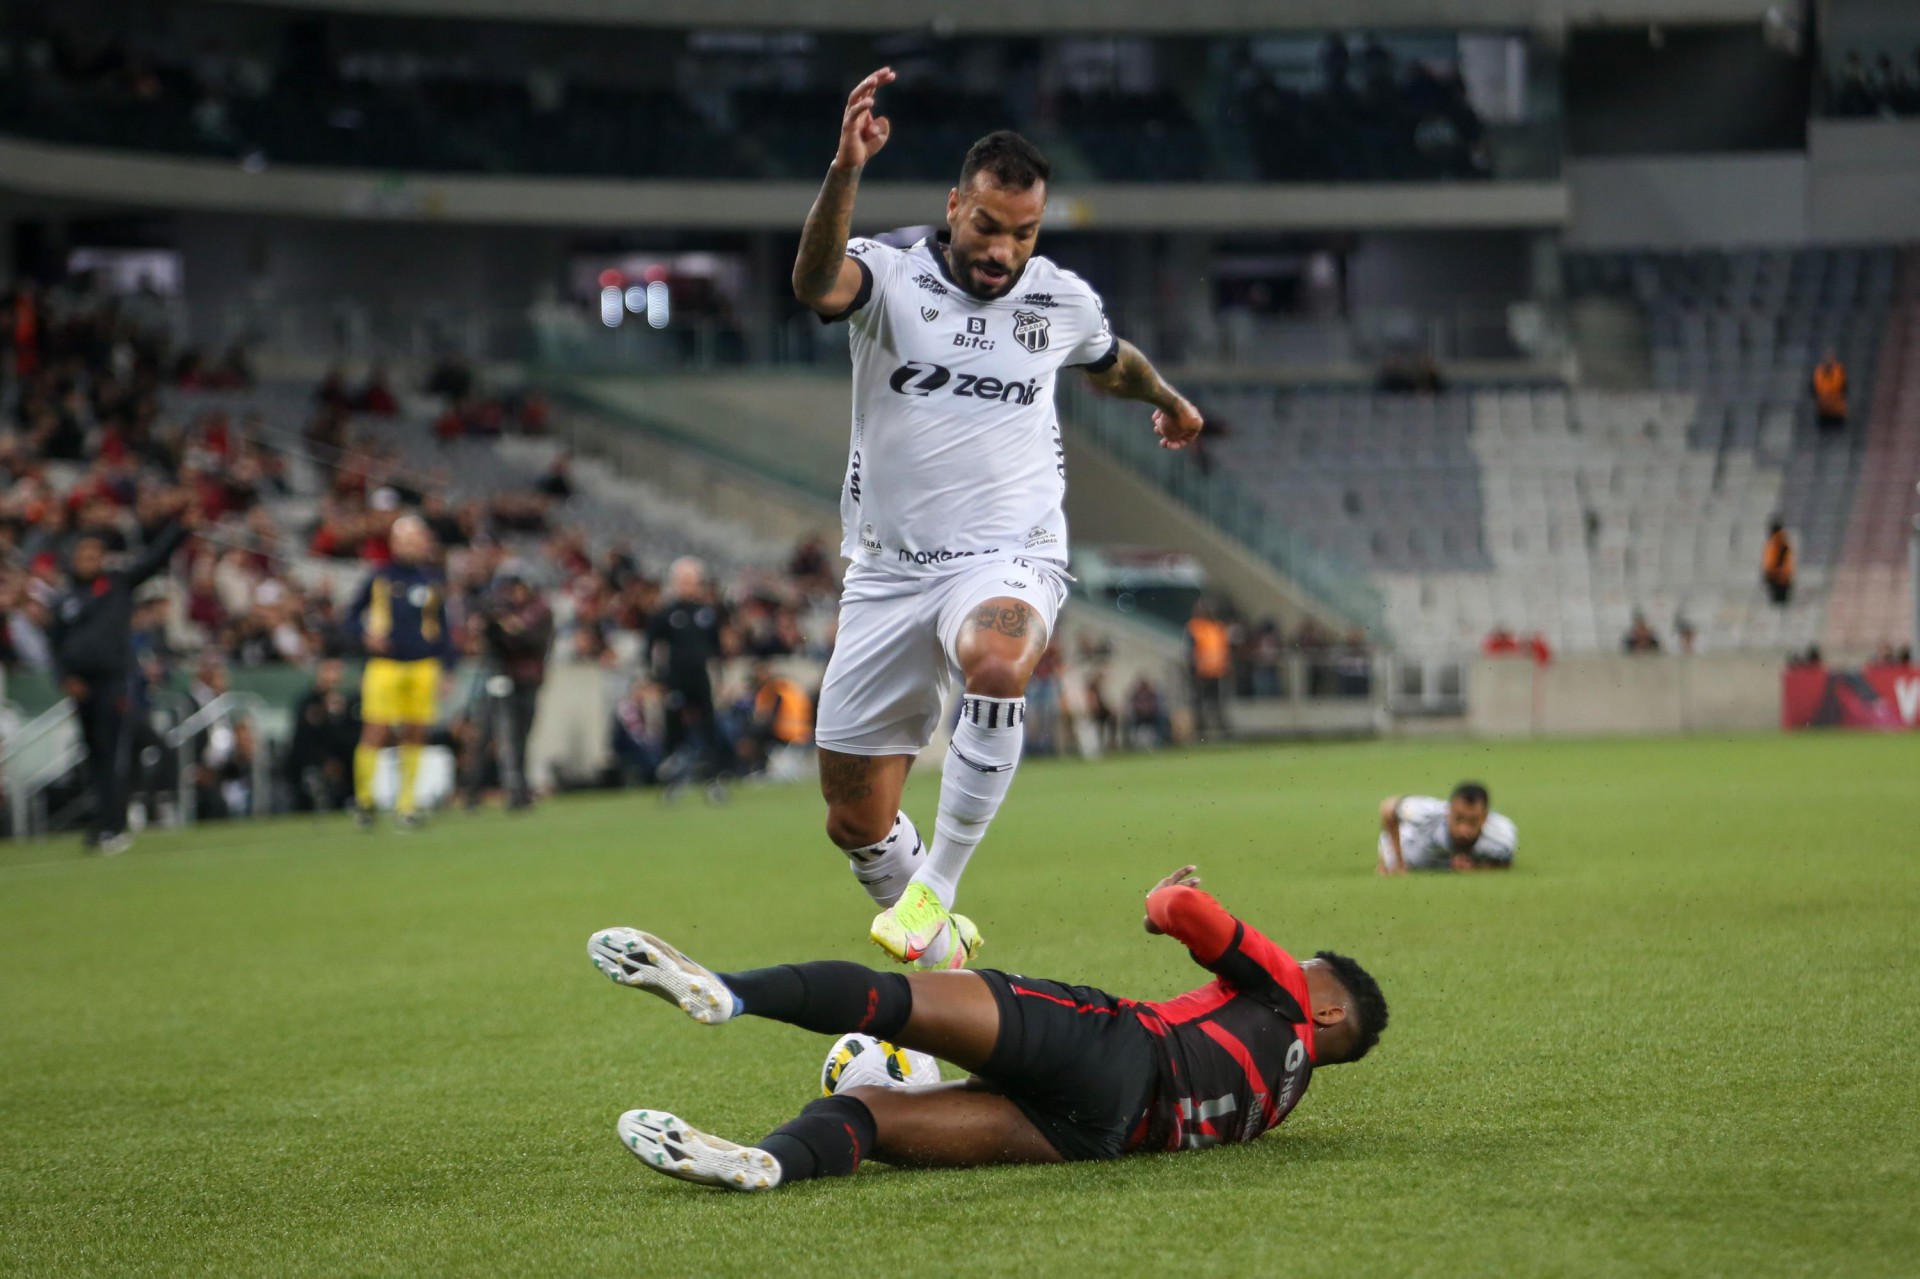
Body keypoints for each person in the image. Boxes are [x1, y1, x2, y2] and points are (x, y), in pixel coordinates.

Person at [790, 68, 1205, 969]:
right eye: (987, 227)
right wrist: (845, 168)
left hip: (1008, 555)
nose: (1003, 251)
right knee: (853, 816)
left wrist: (1168, 398)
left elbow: (1112, 359)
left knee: (998, 654)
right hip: (887, 569)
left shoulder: (1059, 298)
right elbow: (816, 282)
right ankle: (941, 950)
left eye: (1023, 233)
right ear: (954, 207)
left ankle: (937, 885)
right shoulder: (893, 273)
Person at [586, 866, 1386, 1191]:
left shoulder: (1285, 991)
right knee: (871, 1118)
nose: (1294, 963)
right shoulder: (1287, 1096)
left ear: (1326, 1009)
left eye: (1309, 966)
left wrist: (1158, 903)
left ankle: (728, 992)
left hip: (1116, 1048)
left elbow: (1177, 909)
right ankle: (768, 1161)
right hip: (1100, 1136)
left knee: (896, 999)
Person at [49, 514, 194, 854]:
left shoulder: (117, 584)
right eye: (82, 555)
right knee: (94, 757)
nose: (87, 561)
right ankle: (101, 825)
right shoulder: (66, 598)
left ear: (102, 558)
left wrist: (180, 527)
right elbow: (55, 645)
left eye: (93, 555)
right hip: (80, 688)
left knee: (114, 755)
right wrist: (64, 679)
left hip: (112, 684)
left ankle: (114, 827)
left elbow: (154, 559)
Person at [347, 515, 455, 830]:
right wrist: (365, 635)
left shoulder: (432, 581)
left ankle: (406, 803)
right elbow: (352, 617)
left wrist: (447, 668)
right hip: (386, 665)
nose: (411, 544)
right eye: (405, 538)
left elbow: (444, 629)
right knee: (376, 730)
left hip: (423, 665)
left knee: (416, 730)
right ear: (394, 543)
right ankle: (364, 801)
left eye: (416, 538)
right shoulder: (379, 578)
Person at [463, 568, 553, 811]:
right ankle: (476, 790)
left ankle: (516, 790)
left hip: (525, 679)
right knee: (487, 734)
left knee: (517, 737)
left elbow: (528, 639)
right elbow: (489, 638)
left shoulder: (539, 610)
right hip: (499, 675)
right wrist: (494, 625)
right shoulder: (504, 611)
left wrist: (505, 626)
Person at [645, 557, 731, 799]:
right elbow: (651, 647)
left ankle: (714, 780)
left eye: (691, 581)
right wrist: (656, 679)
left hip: (701, 679)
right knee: (674, 730)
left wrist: (720, 679)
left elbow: (717, 650)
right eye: (682, 581)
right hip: (675, 680)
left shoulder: (707, 613)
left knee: (709, 728)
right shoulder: (665, 613)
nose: (687, 586)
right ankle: (672, 783)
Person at [1376, 782, 1516, 874]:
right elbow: (1388, 808)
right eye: (1458, 818)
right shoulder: (1431, 813)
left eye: (1472, 821)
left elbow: (1504, 862)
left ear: (1485, 817)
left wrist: (1475, 867)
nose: (1463, 829)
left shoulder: (1502, 835)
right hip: (1410, 846)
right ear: (1449, 811)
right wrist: (1399, 864)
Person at [286, 657, 360, 812]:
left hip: (341, 763)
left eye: (337, 671)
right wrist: (323, 761)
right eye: (329, 670)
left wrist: (337, 716)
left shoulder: (347, 704)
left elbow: (350, 739)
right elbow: (302, 739)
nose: (333, 676)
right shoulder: (307, 703)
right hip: (312, 762)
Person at [1185, 600, 1231, 738]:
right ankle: (1200, 730)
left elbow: (1223, 648)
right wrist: (1192, 669)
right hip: (1201, 672)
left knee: (1217, 702)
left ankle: (1220, 729)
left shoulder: (1217, 626)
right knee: (1200, 702)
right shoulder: (1194, 627)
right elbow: (1190, 650)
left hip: (1217, 671)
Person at [1812, 349, 1847, 431]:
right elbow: (1813, 389)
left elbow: (1844, 388)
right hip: (1823, 411)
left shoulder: (1840, 370)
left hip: (1837, 411)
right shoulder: (1818, 371)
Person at [1762, 519, 1794, 607]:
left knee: (1778, 602)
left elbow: (1776, 561)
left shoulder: (1778, 541)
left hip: (1779, 577)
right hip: (1781, 576)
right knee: (1779, 602)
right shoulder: (1780, 540)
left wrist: (1771, 573)